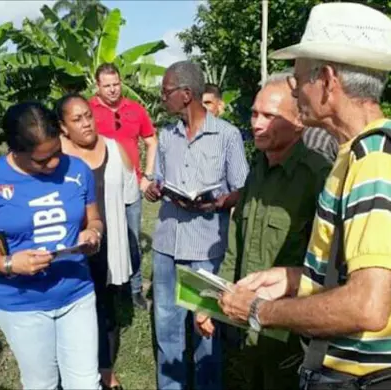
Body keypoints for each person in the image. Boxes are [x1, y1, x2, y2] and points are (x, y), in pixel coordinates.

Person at [217, 3, 391, 389]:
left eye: (300, 78)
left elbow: (367, 305)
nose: (296, 89)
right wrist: (292, 277)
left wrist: (261, 311)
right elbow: (366, 275)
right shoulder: (367, 150)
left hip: (358, 379)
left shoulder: (374, 161)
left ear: (328, 80)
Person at [196, 73, 332, 390]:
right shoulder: (257, 171)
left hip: (288, 340)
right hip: (243, 330)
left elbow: (330, 267)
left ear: (299, 119)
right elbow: (235, 247)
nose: (257, 124)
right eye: (255, 113)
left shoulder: (318, 177)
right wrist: (211, 304)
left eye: (270, 116)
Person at [0, 102, 103, 389]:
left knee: (86, 383)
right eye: (42, 161)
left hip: (76, 293)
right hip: (23, 304)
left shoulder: (78, 169)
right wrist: (9, 263)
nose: (53, 164)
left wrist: (93, 234)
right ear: (15, 151)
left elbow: (94, 219)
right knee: (42, 384)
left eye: (57, 153)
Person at [144, 60, 249, 390]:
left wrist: (217, 202)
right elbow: (159, 177)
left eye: (166, 92)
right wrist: (155, 188)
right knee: (166, 326)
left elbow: (242, 189)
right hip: (166, 245)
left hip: (206, 247)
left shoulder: (227, 136)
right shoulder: (167, 135)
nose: (163, 98)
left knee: (206, 332)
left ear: (186, 94)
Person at [57, 94, 139, 390]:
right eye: (76, 120)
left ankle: (105, 369)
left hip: (108, 243)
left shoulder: (115, 150)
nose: (86, 123)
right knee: (74, 309)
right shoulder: (55, 159)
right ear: (63, 127)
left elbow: (130, 195)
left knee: (105, 308)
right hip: (71, 248)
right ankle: (74, 370)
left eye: (88, 116)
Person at [90, 62, 157, 310]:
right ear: (98, 86)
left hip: (130, 183)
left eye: (116, 84)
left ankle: (135, 288)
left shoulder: (136, 110)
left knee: (131, 238)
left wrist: (147, 176)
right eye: (106, 86)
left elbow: (151, 141)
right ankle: (109, 287)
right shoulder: (88, 110)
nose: (112, 90)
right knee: (104, 238)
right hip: (101, 186)